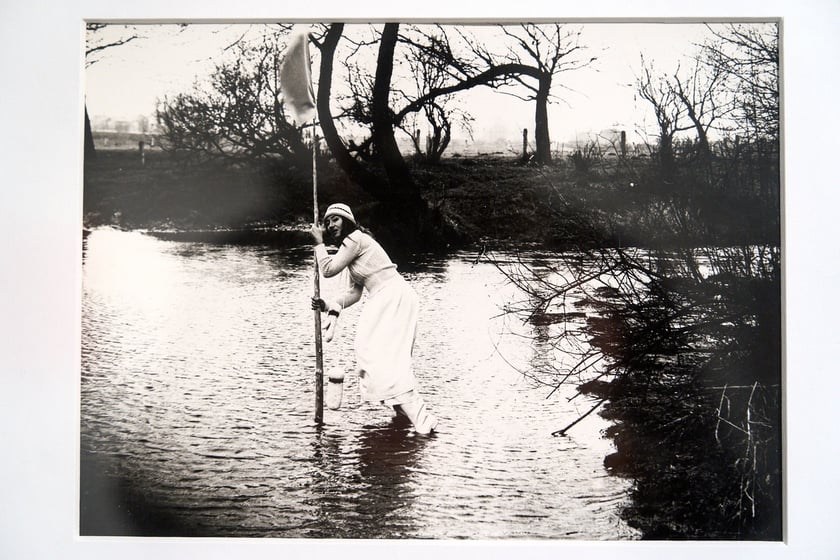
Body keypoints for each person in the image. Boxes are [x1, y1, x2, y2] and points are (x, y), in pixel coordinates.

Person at [309, 203, 438, 435]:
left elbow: (327, 270)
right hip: (390, 296)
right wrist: (327, 305)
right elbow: (354, 294)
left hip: (391, 295)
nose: (330, 225)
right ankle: (405, 413)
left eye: (336, 220)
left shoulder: (355, 239)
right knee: (382, 357)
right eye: (327, 223)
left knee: (373, 353)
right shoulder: (352, 247)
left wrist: (318, 243)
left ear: (347, 221)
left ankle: (421, 418)